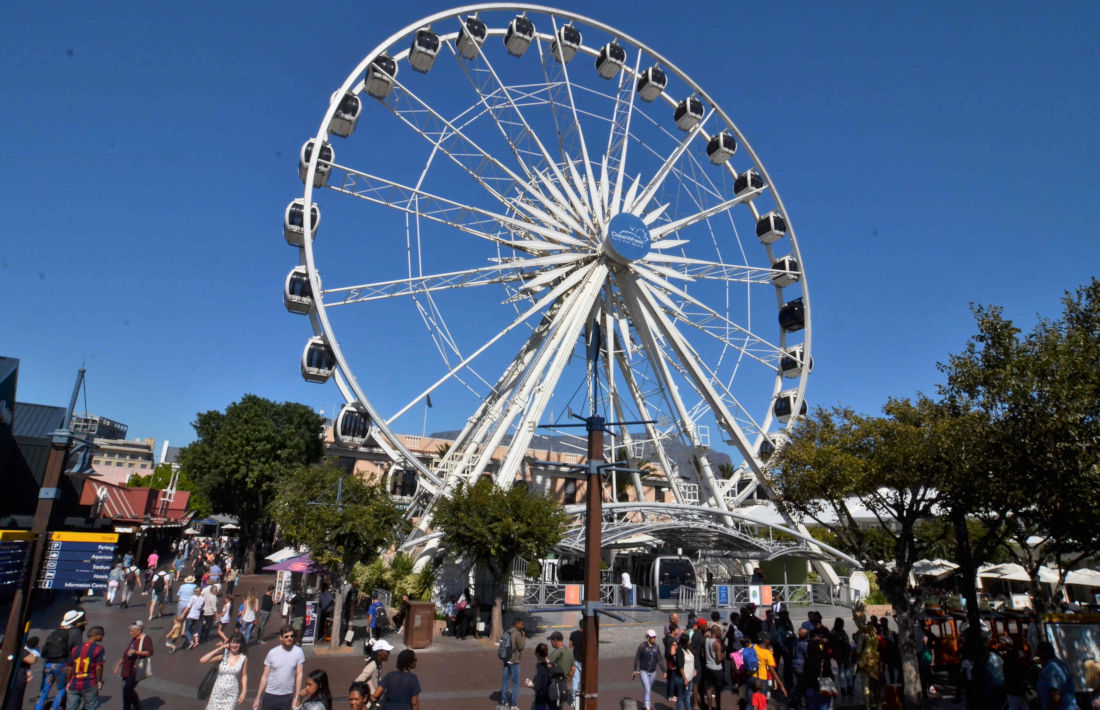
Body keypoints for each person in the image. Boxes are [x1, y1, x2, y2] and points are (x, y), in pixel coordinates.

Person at [36, 609, 85, 710]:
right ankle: (54, 708)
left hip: (49, 663)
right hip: (61, 664)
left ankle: (38, 708)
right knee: (62, 690)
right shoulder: (75, 632)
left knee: (45, 691)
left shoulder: (56, 632)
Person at [254, 625, 305, 710]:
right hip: (270, 695)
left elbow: (299, 675)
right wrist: (258, 697)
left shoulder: (298, 652)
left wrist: (296, 696)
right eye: (286, 636)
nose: (290, 638)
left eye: (292, 636)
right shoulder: (272, 653)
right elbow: (265, 676)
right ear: (280, 638)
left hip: (287, 696)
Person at [200, 632, 249, 710]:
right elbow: (203, 660)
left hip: (232, 693)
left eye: (238, 643)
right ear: (229, 643)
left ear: (241, 644)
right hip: (217, 691)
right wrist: (219, 649)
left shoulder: (243, 658)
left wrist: (244, 692)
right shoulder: (223, 655)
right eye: (233, 642)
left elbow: (244, 675)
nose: (235, 645)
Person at [113, 620, 153, 710]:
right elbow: (126, 653)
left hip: (135, 669)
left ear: (139, 631)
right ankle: (136, 704)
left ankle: (129, 707)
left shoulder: (146, 639)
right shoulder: (134, 639)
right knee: (127, 689)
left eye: (132, 631)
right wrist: (118, 665)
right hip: (126, 669)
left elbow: (149, 652)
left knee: (127, 689)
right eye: (130, 631)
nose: (130, 633)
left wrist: (136, 652)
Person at [632, 628, 667, 710]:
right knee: (647, 689)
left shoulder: (657, 647)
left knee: (648, 689)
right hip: (643, 671)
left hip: (653, 673)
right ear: (648, 637)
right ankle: (648, 707)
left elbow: (660, 659)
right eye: (652, 637)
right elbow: (637, 658)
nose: (654, 638)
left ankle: (645, 704)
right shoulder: (642, 646)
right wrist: (634, 669)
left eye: (654, 637)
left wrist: (664, 670)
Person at [1036, 641, 1075, 710]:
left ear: (1044, 653)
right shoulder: (1061, 665)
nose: (1038, 656)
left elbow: (1056, 694)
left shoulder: (1051, 668)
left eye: (1039, 653)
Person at [803, 627, 834, 710]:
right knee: (824, 706)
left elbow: (804, 676)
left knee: (812, 706)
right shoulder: (825, 662)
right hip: (825, 683)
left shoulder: (807, 662)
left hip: (811, 685)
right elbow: (830, 675)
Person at [6, 635, 40, 710]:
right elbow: (31, 660)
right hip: (17, 679)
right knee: (14, 702)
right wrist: (36, 655)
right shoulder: (21, 650)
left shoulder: (8, 646)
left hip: (10, 677)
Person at [500, 617, 527, 710]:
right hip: (514, 661)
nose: (522, 626)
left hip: (506, 659)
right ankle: (514, 705)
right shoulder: (517, 633)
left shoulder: (507, 632)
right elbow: (521, 646)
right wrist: (523, 636)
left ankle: (504, 701)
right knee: (515, 683)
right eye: (521, 624)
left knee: (505, 681)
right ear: (517, 624)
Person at [524, 642, 559, 710]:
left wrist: (530, 684)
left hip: (542, 701)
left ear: (538, 654)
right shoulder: (553, 665)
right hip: (553, 700)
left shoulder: (540, 667)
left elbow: (538, 686)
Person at [548, 631, 575, 708]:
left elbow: (548, 667)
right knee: (560, 705)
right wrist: (569, 678)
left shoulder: (556, 653)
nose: (551, 643)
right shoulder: (570, 652)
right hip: (564, 685)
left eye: (551, 641)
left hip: (554, 685)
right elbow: (573, 668)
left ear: (555, 641)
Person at [568, 619, 585, 702]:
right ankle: (586, 696)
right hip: (585, 661)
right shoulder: (587, 635)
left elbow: (570, 646)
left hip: (575, 659)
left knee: (576, 680)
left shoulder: (573, 634)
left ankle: (574, 698)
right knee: (586, 679)